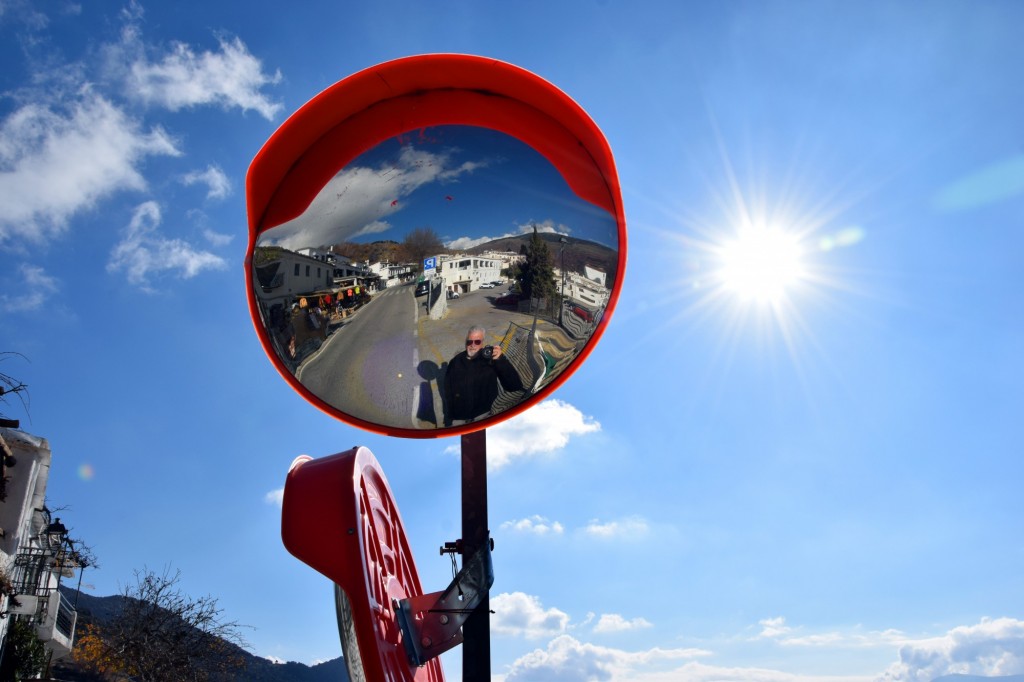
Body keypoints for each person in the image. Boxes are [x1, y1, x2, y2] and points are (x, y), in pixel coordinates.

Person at [444, 325, 523, 425]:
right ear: (466, 342)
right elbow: (448, 389)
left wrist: (500, 360)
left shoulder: (490, 359)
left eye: (477, 342)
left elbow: (514, 386)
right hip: (460, 417)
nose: (472, 345)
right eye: (469, 341)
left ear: (482, 343)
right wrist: (451, 413)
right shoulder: (455, 362)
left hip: (484, 415)